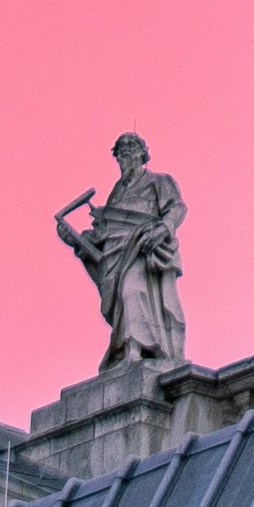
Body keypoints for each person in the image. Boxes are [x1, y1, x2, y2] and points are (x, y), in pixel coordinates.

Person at [55, 131, 188, 368]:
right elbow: (105, 233)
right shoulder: (116, 194)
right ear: (116, 157)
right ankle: (129, 349)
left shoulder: (159, 181)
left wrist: (162, 230)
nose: (126, 149)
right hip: (117, 253)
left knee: (132, 290)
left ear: (142, 153)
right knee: (124, 300)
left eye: (132, 145)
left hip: (142, 245)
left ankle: (135, 350)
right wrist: (76, 241)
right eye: (121, 148)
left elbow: (176, 208)